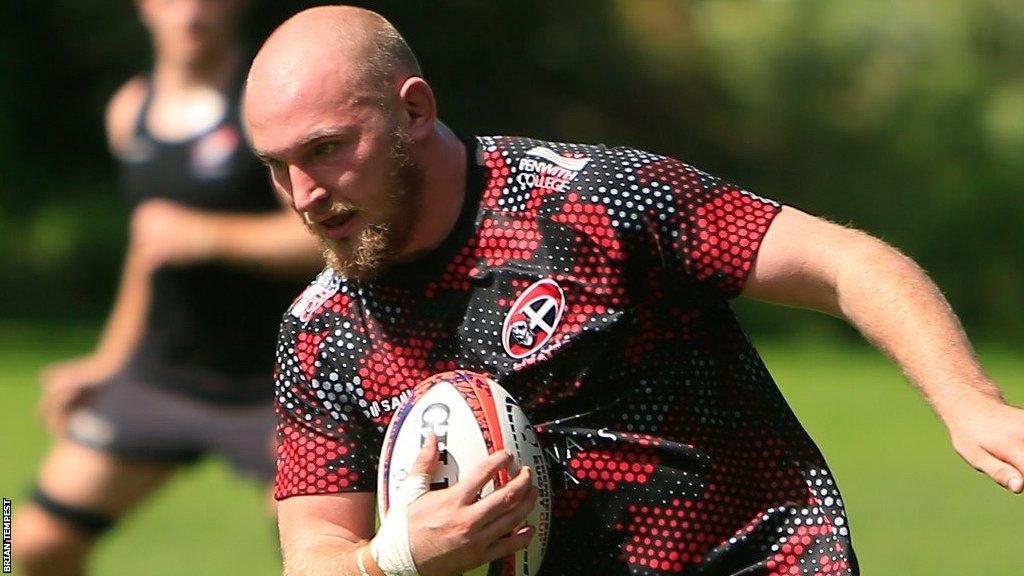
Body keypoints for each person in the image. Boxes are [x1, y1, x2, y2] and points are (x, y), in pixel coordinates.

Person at [243, 6, 1024, 576]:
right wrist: (396, 557)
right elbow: (315, 552)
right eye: (278, 166)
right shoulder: (321, 332)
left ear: (413, 110)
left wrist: (968, 401)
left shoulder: (597, 202)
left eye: (327, 149)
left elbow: (846, 263)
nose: (304, 193)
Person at [13, 1, 319, 574]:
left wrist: (212, 235)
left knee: (320, 560)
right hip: (161, 377)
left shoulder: (267, 103)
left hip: (274, 388)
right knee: (22, 540)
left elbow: (322, 238)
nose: (192, 10)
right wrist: (107, 361)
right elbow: (147, 248)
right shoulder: (130, 110)